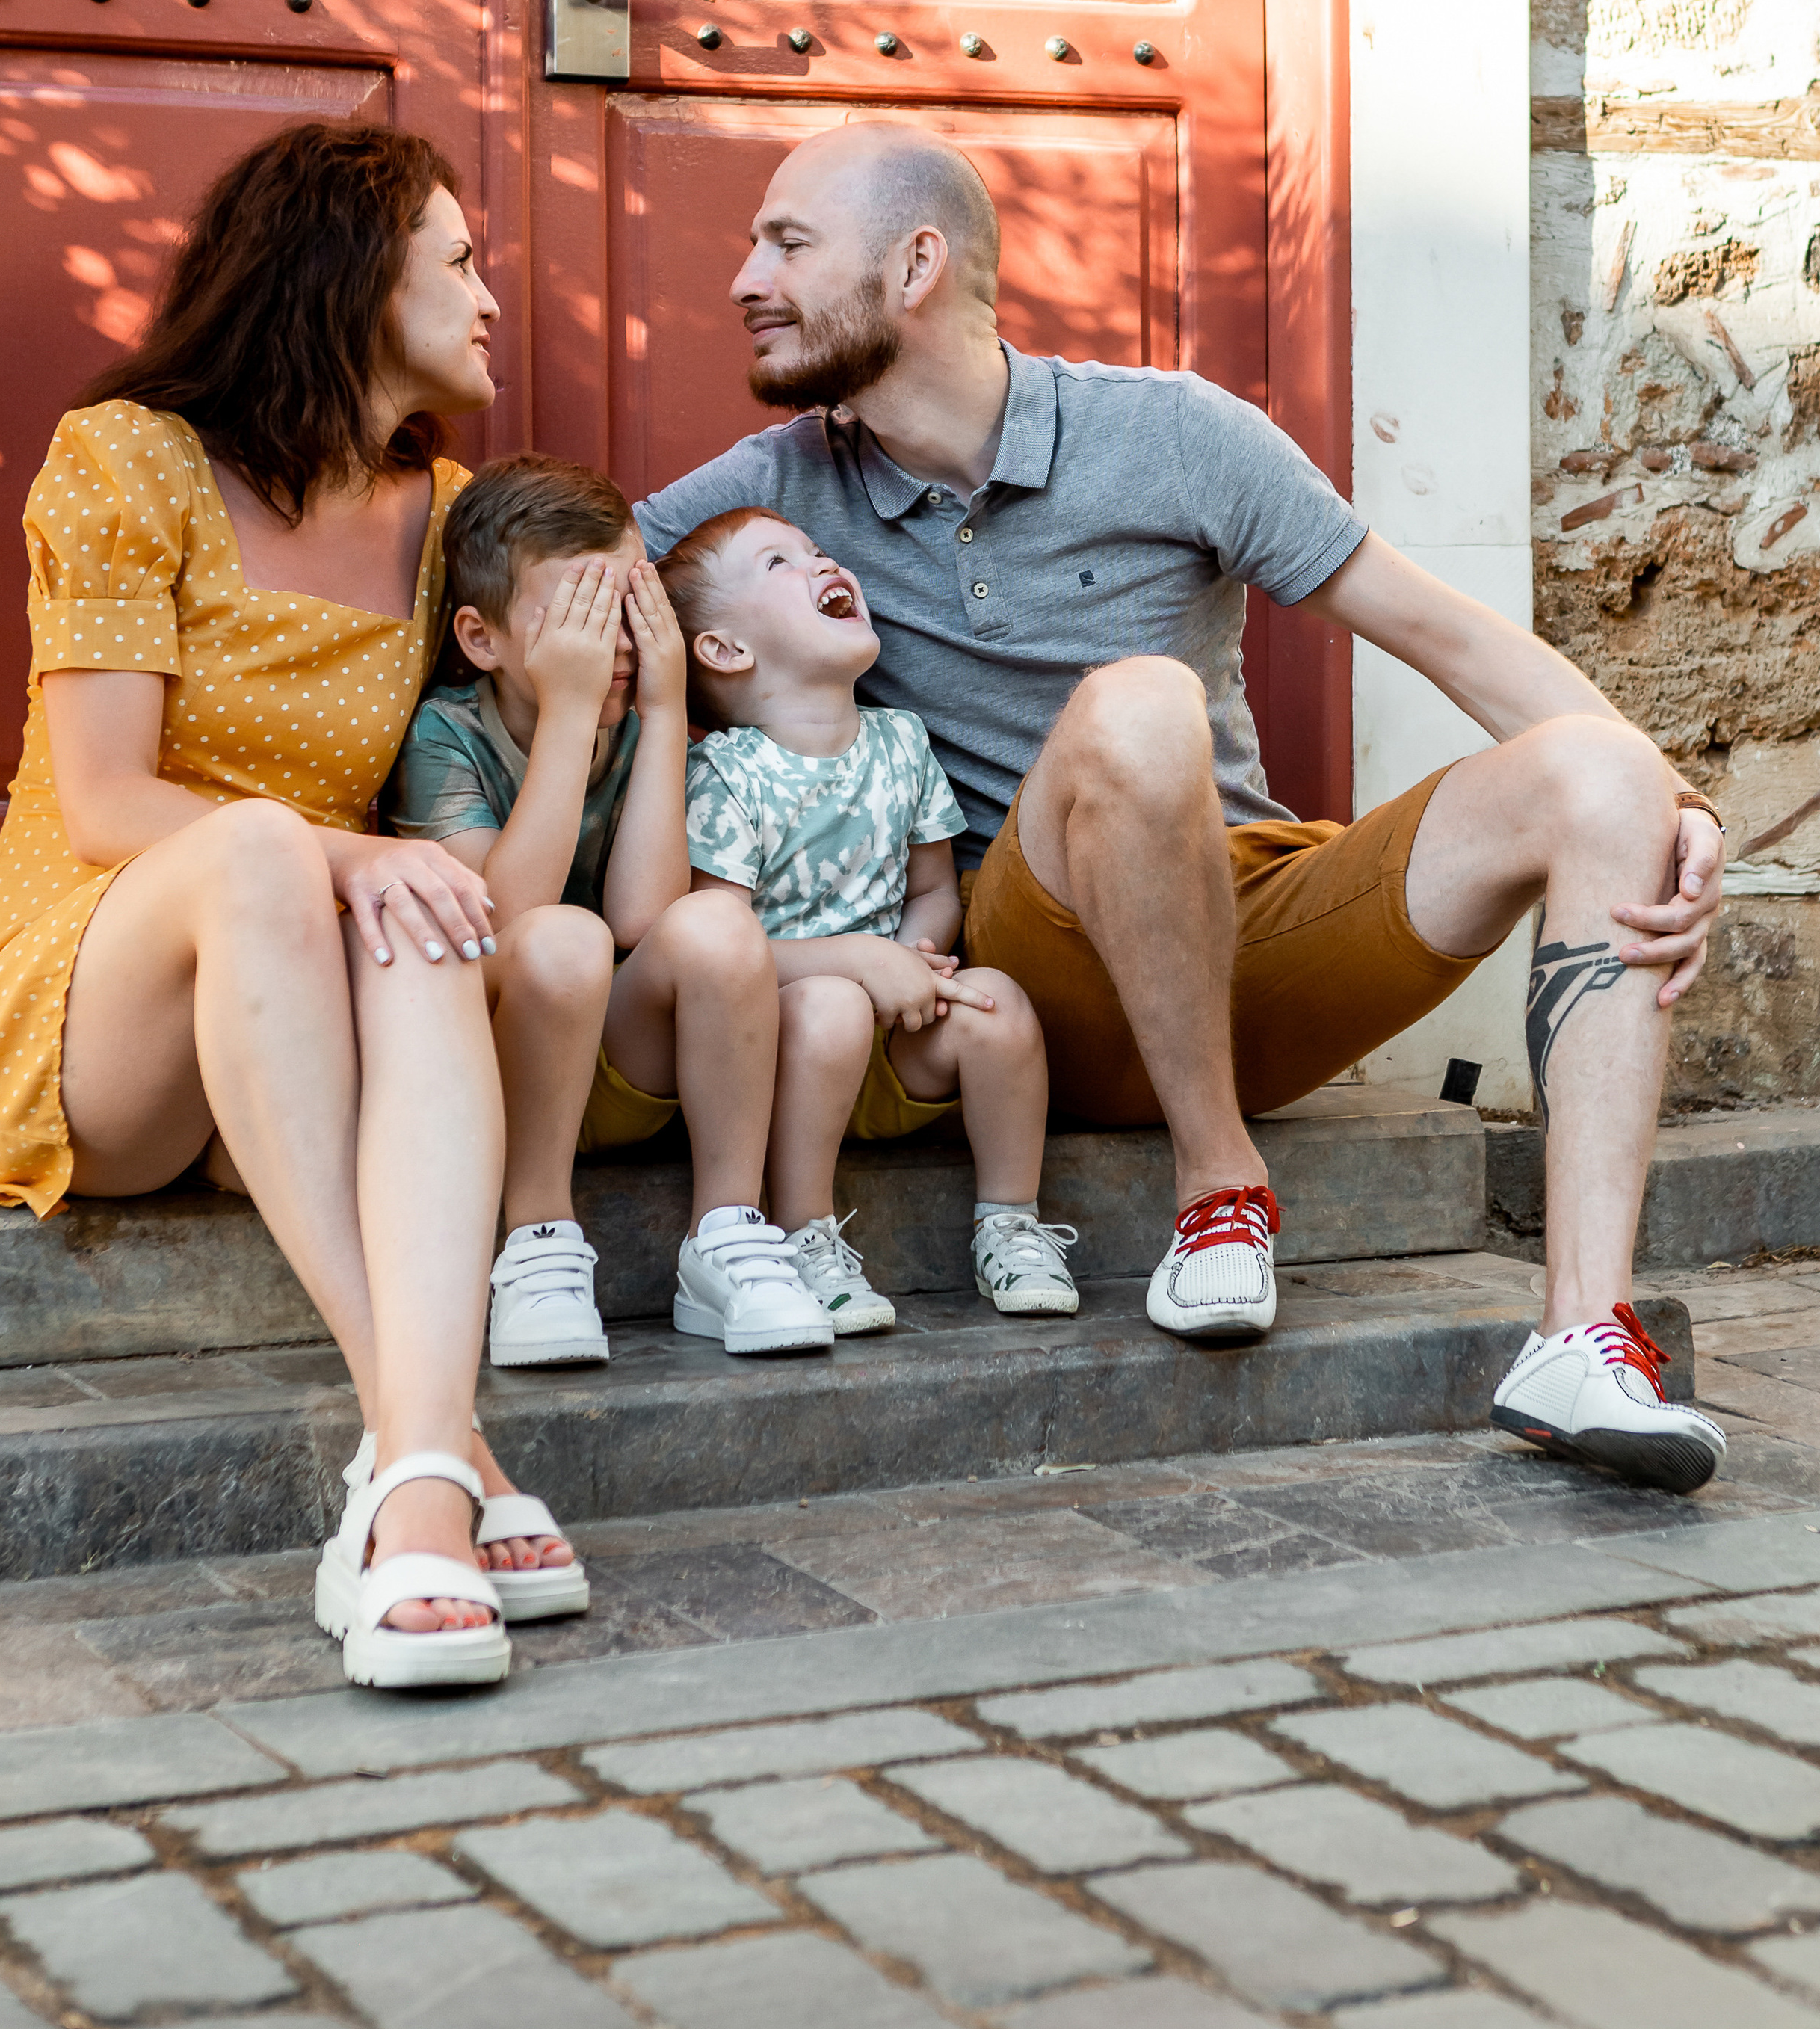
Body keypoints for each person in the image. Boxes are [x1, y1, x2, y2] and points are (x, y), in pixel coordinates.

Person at [633, 120, 1732, 1493]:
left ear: (918, 264)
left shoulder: (1171, 434)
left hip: (1252, 923)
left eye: (787, 242)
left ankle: (1582, 1336)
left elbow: (1447, 636)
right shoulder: (778, 496)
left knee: (1603, 765)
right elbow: (557, 583)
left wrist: (1672, 797)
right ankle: (1222, 1190)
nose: (745, 275)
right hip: (1042, 977)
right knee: (1142, 702)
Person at [0, 123, 576, 1690]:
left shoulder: (448, 527)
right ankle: (439, 1439)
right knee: (296, 851)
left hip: (291, 1021)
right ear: (350, 284)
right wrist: (343, 856)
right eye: (460, 263)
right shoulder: (127, 460)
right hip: (86, 996)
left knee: (419, 912)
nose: (494, 301)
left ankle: (407, 1504)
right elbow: (108, 803)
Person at [386, 456, 835, 1361]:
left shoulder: (647, 727)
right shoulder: (445, 735)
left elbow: (644, 917)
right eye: (580, 618)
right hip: (502, 1073)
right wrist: (567, 713)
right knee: (558, 937)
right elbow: (502, 918)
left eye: (629, 608)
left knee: (714, 924)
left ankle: (728, 1233)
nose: (613, 643)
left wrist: (666, 712)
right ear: (484, 639)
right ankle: (536, 1240)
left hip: (625, 1065)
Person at [657, 505, 1079, 1331]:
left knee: (999, 1006)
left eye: (818, 550)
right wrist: (858, 963)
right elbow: (722, 945)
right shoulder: (725, 775)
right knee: (832, 1001)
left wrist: (913, 961)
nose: (821, 564)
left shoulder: (900, 743)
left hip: (894, 1030)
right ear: (725, 649)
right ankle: (802, 1235)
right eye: (780, 562)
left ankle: (1011, 1224)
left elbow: (932, 888)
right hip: (774, 1055)